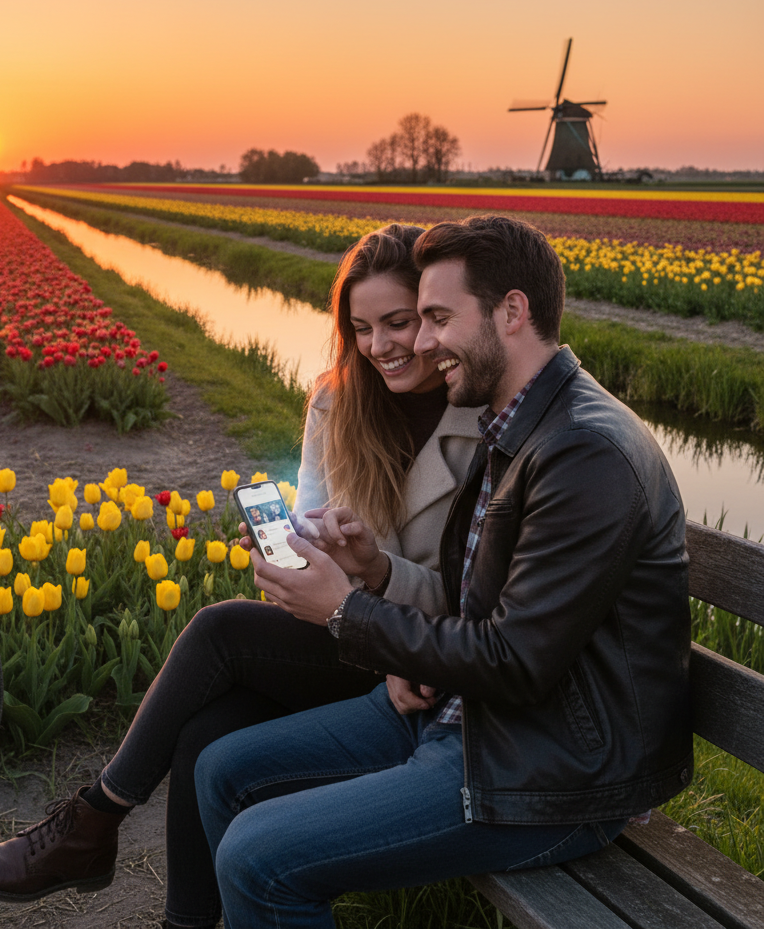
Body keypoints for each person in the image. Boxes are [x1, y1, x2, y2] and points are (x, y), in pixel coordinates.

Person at [0, 224, 482, 928]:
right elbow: (310, 523)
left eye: (399, 322)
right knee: (206, 731)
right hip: (346, 630)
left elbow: (477, 597)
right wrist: (293, 549)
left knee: (220, 631)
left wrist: (378, 594)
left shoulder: (482, 423)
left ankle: (91, 823)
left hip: (421, 658)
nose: (380, 345)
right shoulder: (338, 400)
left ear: (436, 318)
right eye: (361, 329)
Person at [194, 214, 693, 928]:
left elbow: (516, 662)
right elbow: (480, 608)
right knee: (221, 769)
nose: (423, 344)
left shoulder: (583, 451)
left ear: (511, 312)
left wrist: (345, 610)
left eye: (437, 319)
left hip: (552, 770)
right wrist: (373, 569)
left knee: (257, 856)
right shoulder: (516, 422)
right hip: (469, 716)